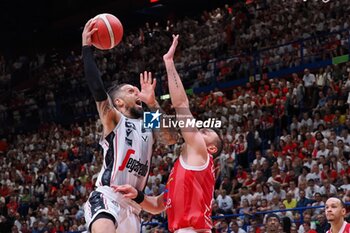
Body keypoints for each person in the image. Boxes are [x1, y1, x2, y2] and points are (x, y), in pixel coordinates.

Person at [114, 35, 223, 233]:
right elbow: (157, 206)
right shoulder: (182, 172)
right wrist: (137, 195)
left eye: (205, 131)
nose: (198, 130)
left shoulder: (200, 152)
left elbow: (181, 104)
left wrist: (169, 63)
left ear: (211, 148)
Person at [81, 19, 176, 233]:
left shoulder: (147, 121)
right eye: (131, 91)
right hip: (108, 197)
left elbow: (171, 138)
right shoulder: (115, 120)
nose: (137, 92)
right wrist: (86, 49)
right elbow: (98, 90)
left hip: (134, 208)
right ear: (119, 102)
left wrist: (153, 103)